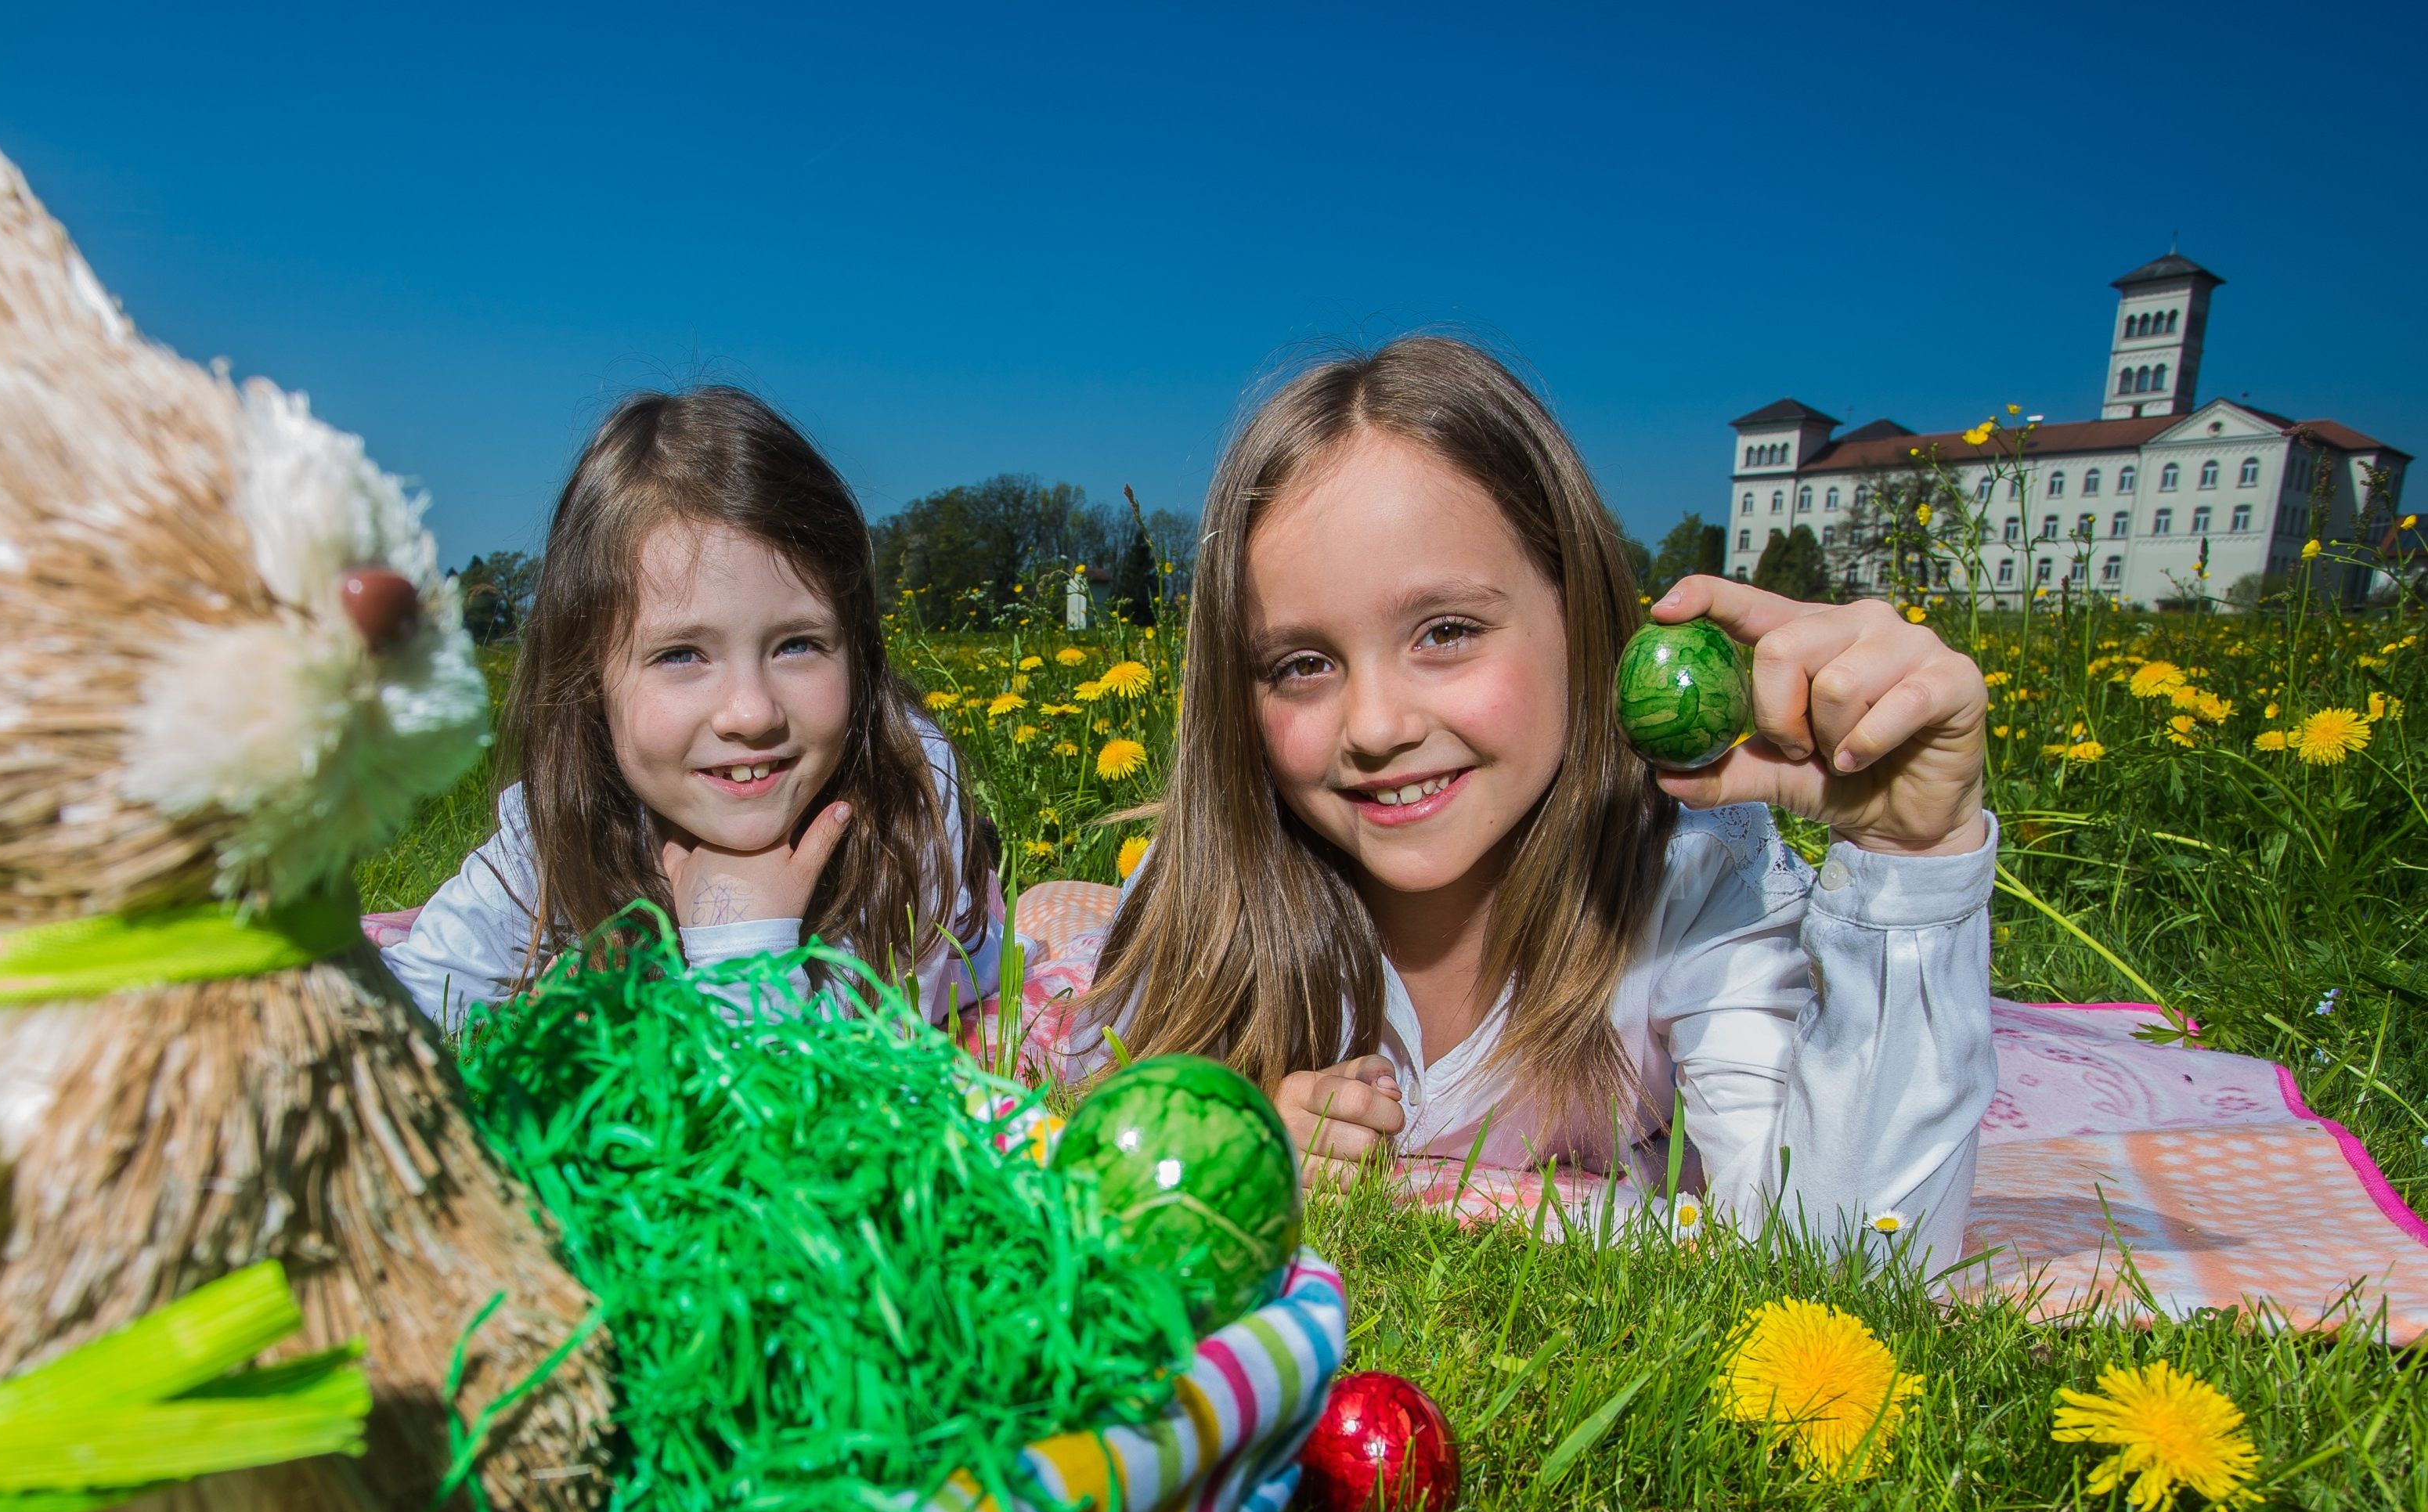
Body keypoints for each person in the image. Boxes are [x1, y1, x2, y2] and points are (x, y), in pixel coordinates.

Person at [1072, 337, 1995, 1261]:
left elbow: (1854, 1262)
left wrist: (1910, 867)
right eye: (1300, 664)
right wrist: (1229, 1151)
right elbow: (1093, 1180)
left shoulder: (1699, 882)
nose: (1375, 725)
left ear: (1579, 616)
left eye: (1444, 631)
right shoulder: (1209, 886)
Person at [383, 387, 1001, 1030]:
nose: (751, 712)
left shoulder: (910, 794)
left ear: (857, 651)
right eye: (681, 655)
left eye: (797, 644)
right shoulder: (561, 812)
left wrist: (741, 937)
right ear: (589, 683)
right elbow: (411, 1001)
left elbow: (822, 1091)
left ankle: (984, 876)